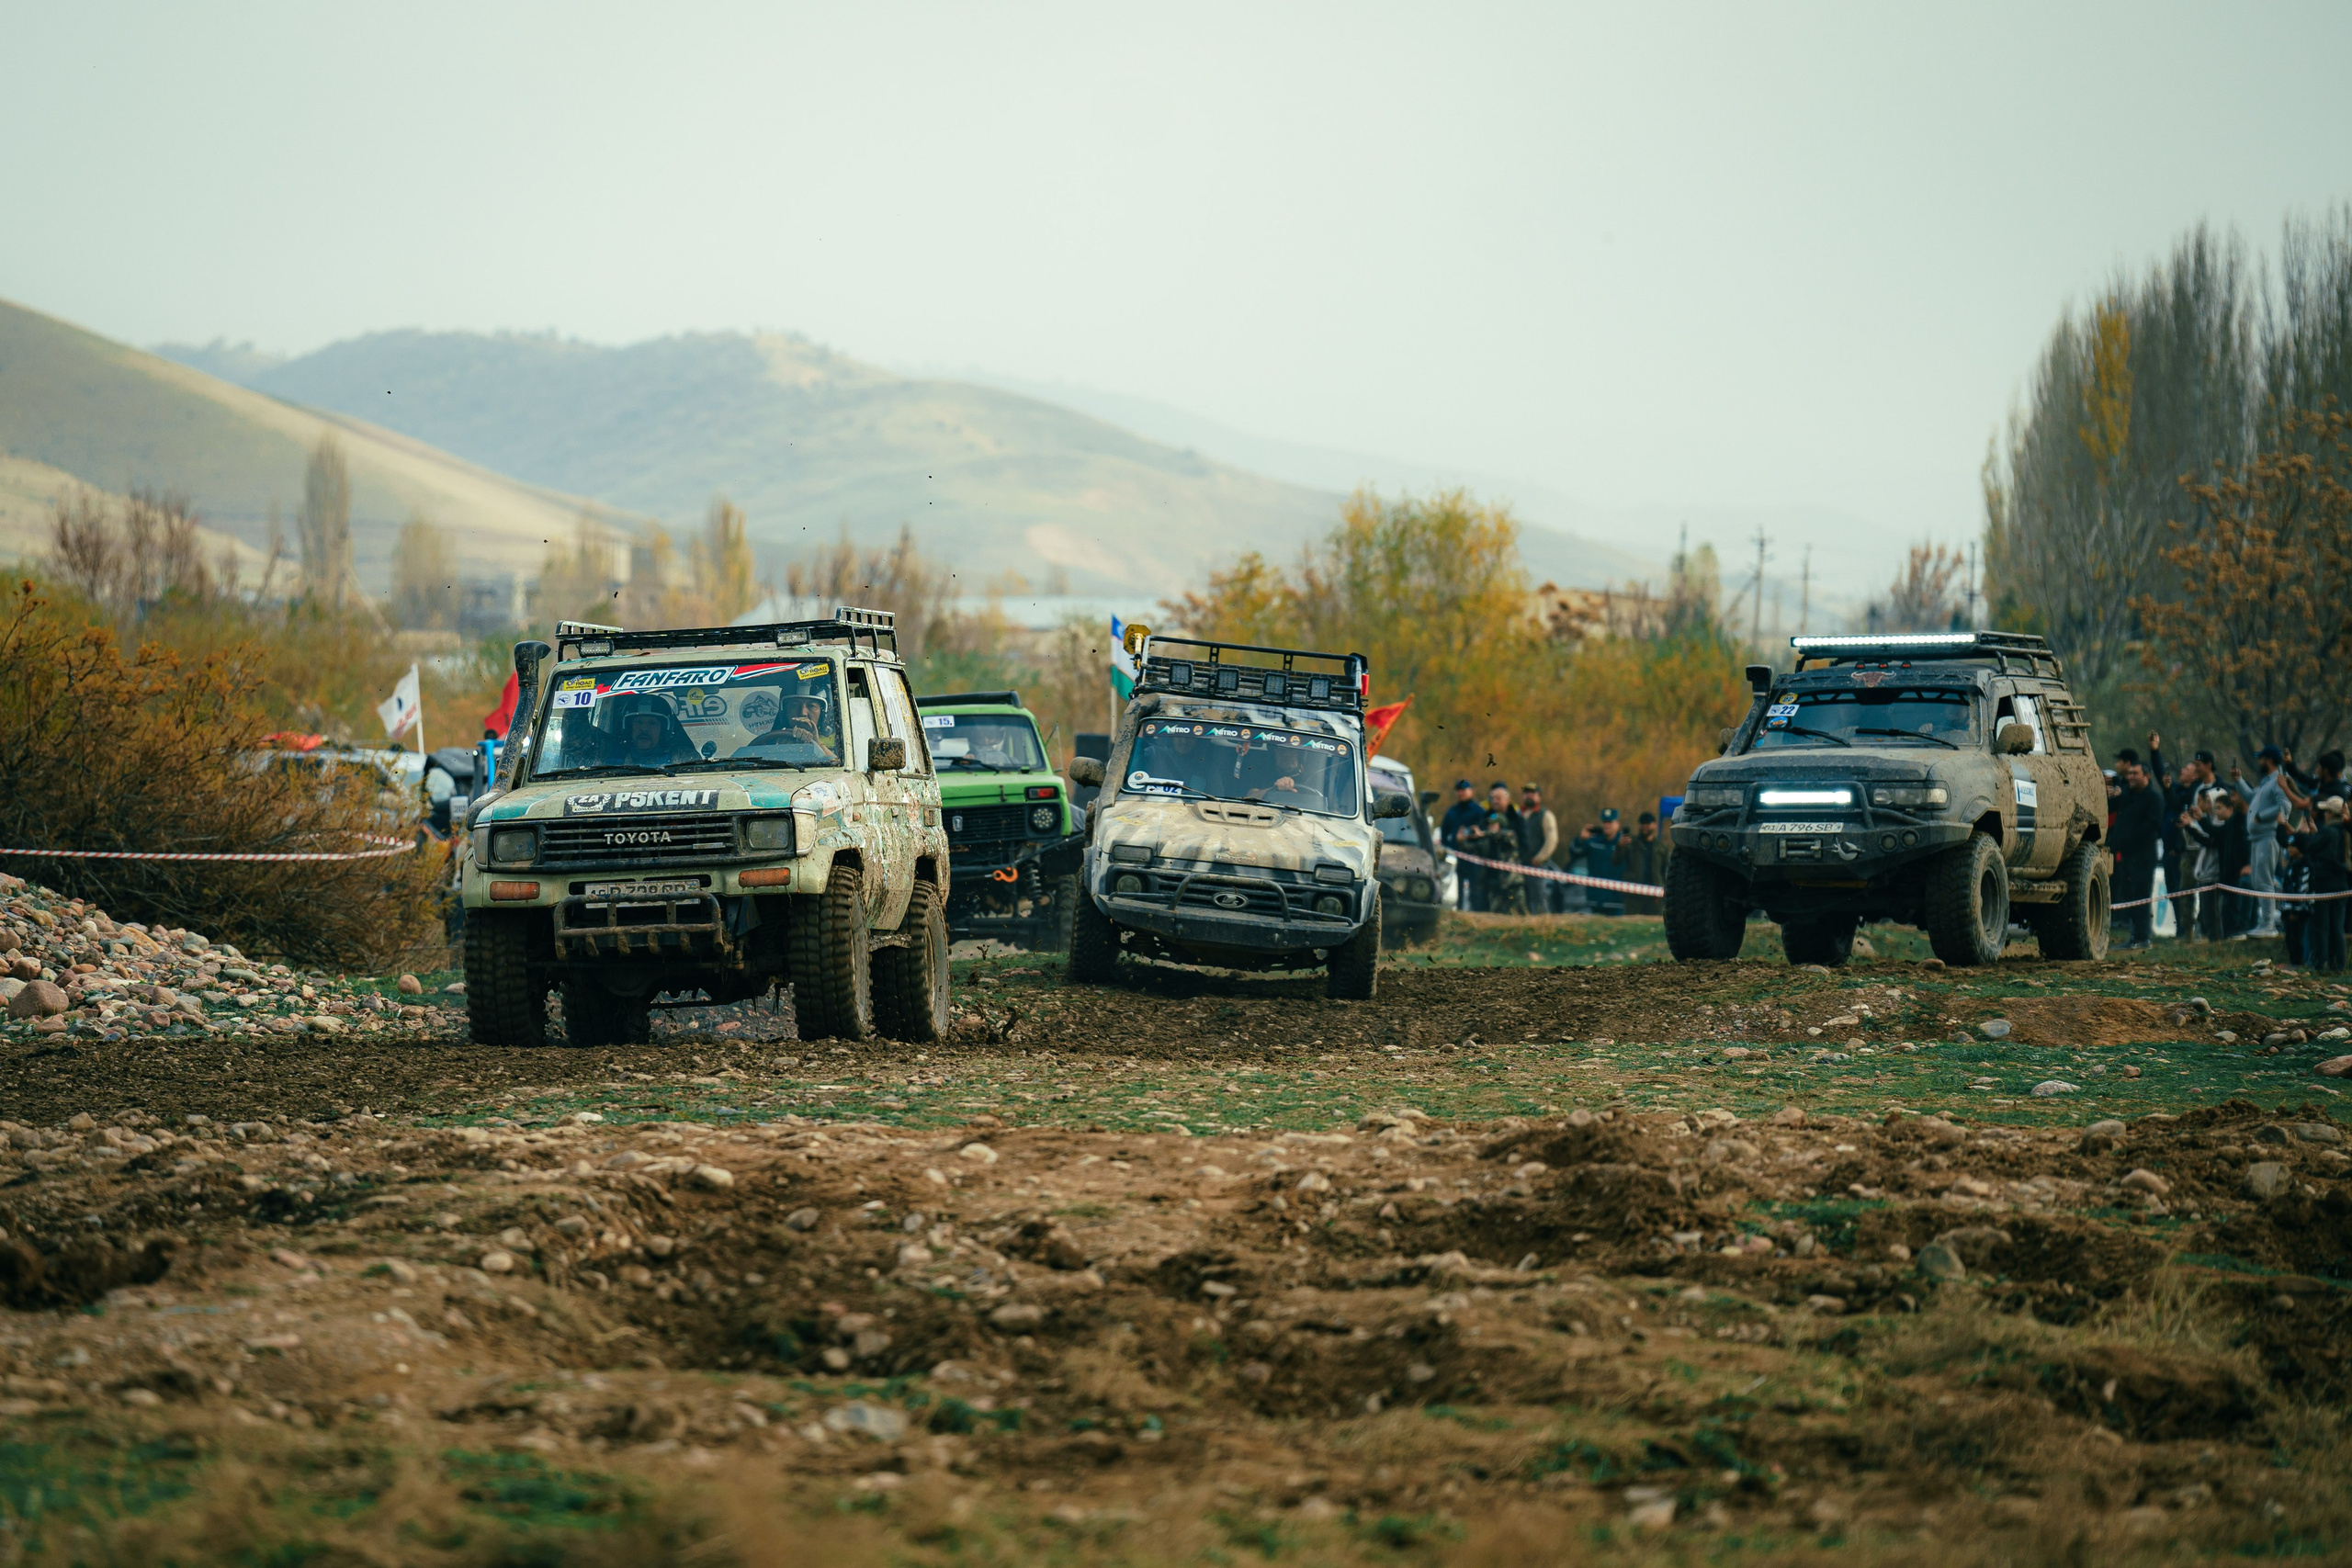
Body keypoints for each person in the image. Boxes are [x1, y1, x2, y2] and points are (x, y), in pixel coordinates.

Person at [2286, 797, 2350, 972]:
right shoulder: (2345, 831)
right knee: (2337, 926)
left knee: (2321, 926)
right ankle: (2339, 964)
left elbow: (2310, 848)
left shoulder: (2328, 831)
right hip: (2342, 884)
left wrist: (2306, 835)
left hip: (2324, 883)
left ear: (2331, 814)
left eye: (2327, 811)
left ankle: (2320, 963)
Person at [2109, 759, 2165, 950]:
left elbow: (2153, 825)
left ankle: (2142, 937)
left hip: (2143, 856)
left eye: (2135, 774)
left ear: (2146, 776)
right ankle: (2135, 936)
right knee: (2130, 895)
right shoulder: (2127, 795)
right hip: (2126, 856)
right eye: (2130, 773)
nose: (2131, 777)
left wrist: (2130, 838)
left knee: (2141, 896)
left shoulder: (2153, 798)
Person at [2234, 746, 2290, 935]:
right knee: (2258, 881)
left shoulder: (2278, 782)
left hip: (2268, 836)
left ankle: (2268, 924)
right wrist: (2238, 781)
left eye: (2261, 758)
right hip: (2257, 838)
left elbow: (2285, 806)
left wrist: (2262, 816)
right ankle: (2263, 922)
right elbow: (2251, 797)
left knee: (2265, 880)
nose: (2259, 762)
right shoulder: (2266, 782)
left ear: (2269, 760)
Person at [1440, 779, 1487, 910]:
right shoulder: (1452, 812)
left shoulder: (1479, 811)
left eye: (1464, 790)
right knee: (1456, 888)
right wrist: (1449, 846)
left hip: (1473, 855)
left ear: (1470, 791)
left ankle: (1476, 913)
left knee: (1475, 889)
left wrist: (1475, 838)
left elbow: (1484, 833)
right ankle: (1458, 912)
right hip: (1456, 855)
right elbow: (1444, 833)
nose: (1461, 793)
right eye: (1459, 791)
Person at [1517, 784, 1560, 914]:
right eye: (1526, 792)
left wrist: (1539, 858)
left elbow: (1552, 840)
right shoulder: (1519, 814)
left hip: (1537, 865)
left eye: (1533, 793)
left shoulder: (1545, 815)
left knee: (1539, 898)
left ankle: (1543, 927)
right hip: (1520, 864)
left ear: (1539, 797)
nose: (1529, 795)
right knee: (1522, 899)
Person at [1582, 807, 1628, 917]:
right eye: (1604, 822)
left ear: (1617, 824)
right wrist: (1582, 839)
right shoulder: (1594, 842)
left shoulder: (1624, 844)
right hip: (1595, 900)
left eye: (1610, 822)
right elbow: (1576, 853)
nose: (1606, 825)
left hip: (1616, 901)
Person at [1622, 812, 1664, 916]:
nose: (1645, 827)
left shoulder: (1661, 847)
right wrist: (1620, 846)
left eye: (1648, 824)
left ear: (1655, 825)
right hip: (1633, 896)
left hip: (1654, 896)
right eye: (1642, 823)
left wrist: (1662, 890)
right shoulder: (1631, 843)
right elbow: (1616, 860)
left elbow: (1664, 871)